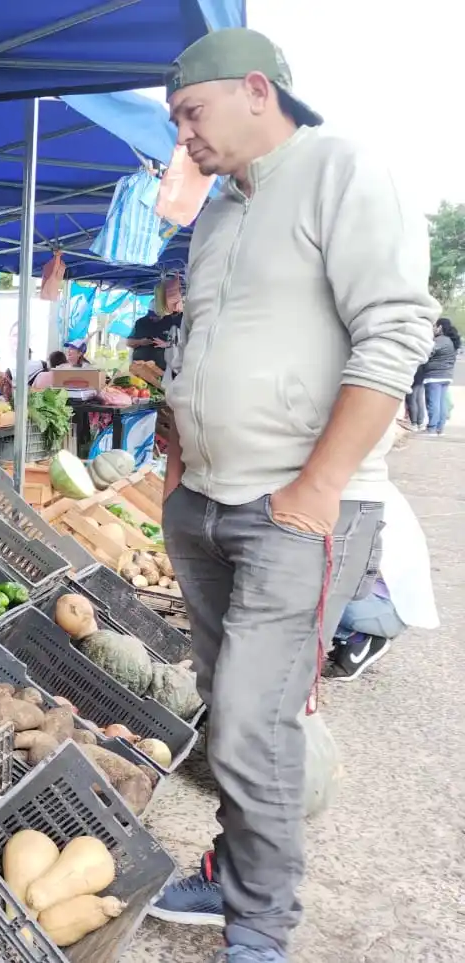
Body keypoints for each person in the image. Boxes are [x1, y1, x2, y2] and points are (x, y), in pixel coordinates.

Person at [153, 29, 437, 963]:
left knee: (253, 716)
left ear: (254, 90)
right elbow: (205, 343)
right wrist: (177, 465)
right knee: (222, 702)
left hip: (301, 508)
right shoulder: (222, 212)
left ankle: (261, 927)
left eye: (191, 113)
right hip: (206, 502)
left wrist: (316, 488)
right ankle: (235, 874)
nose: (183, 136)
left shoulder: (341, 170)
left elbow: (397, 332)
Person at [327, 483, 438, 680]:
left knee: (294, 587)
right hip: (380, 603)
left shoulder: (351, 494)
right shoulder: (367, 481)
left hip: (379, 608)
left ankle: (357, 637)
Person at [126, 278, 184, 369]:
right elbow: (129, 342)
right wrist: (141, 342)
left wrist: (166, 344)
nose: (152, 318)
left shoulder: (173, 320)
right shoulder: (140, 322)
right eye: (151, 315)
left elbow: (182, 342)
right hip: (140, 367)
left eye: (156, 316)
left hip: (164, 368)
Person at [421, 317, 459, 435]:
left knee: (433, 402)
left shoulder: (440, 340)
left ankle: (432, 428)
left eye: (435, 326)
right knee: (442, 403)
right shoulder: (451, 341)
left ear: (440, 327)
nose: (433, 329)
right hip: (446, 375)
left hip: (435, 376)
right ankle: (439, 428)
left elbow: (428, 352)